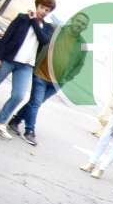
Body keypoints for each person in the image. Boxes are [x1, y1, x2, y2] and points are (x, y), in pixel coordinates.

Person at [7, 11, 89, 146]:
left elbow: (79, 64)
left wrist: (68, 77)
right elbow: (39, 34)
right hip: (41, 73)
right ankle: (29, 131)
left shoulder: (83, 44)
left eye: (83, 24)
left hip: (58, 82)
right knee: (36, 103)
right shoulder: (55, 29)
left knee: (35, 103)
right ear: (72, 19)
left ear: (85, 27)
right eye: (78, 21)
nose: (79, 25)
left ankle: (15, 121)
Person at [0, 0, 55, 139]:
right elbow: (7, 37)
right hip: (9, 59)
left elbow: (43, 40)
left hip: (26, 65)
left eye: (47, 10)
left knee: (19, 95)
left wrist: (34, 20)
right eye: (42, 7)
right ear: (37, 6)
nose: (43, 11)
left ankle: (0, 122)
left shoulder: (48, 28)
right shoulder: (22, 18)